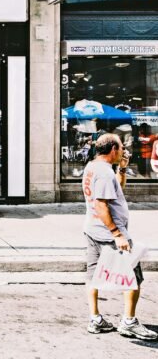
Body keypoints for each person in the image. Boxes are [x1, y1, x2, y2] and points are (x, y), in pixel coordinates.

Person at [82, 132, 157, 339]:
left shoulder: (94, 167)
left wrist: (122, 168)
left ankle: (95, 319)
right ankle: (129, 322)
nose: (124, 150)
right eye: (122, 147)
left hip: (93, 229)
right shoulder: (104, 173)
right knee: (134, 277)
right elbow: (101, 204)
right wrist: (117, 234)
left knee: (93, 275)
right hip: (109, 233)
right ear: (113, 149)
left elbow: (118, 190)